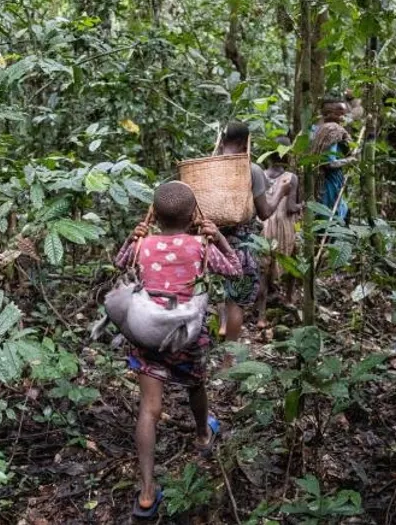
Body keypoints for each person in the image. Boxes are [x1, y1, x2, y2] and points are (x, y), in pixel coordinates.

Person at [113, 181, 242, 519]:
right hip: (186, 336)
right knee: (196, 385)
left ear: (154, 214)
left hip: (147, 334)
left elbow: (119, 263)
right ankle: (202, 435)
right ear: (193, 216)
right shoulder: (201, 246)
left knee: (149, 409)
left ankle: (145, 493)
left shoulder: (143, 244)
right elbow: (234, 270)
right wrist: (220, 237)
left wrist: (133, 236)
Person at [215, 121, 291, 347]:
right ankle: (229, 359)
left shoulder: (208, 166)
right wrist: (280, 191)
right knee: (235, 300)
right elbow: (265, 212)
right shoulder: (252, 170)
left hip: (210, 240)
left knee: (216, 290)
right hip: (238, 243)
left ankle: (219, 329)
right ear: (244, 142)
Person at [257, 138, 303, 329]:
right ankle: (289, 297)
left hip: (262, 224)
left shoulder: (260, 174)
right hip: (283, 225)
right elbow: (291, 207)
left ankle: (260, 315)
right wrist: (304, 205)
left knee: (263, 270)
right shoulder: (291, 178)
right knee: (292, 259)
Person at [312, 96, 357, 223]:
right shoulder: (331, 130)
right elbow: (328, 163)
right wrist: (350, 160)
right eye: (340, 114)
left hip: (319, 180)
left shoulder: (313, 129)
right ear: (329, 113)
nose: (343, 118)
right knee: (328, 215)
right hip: (327, 181)